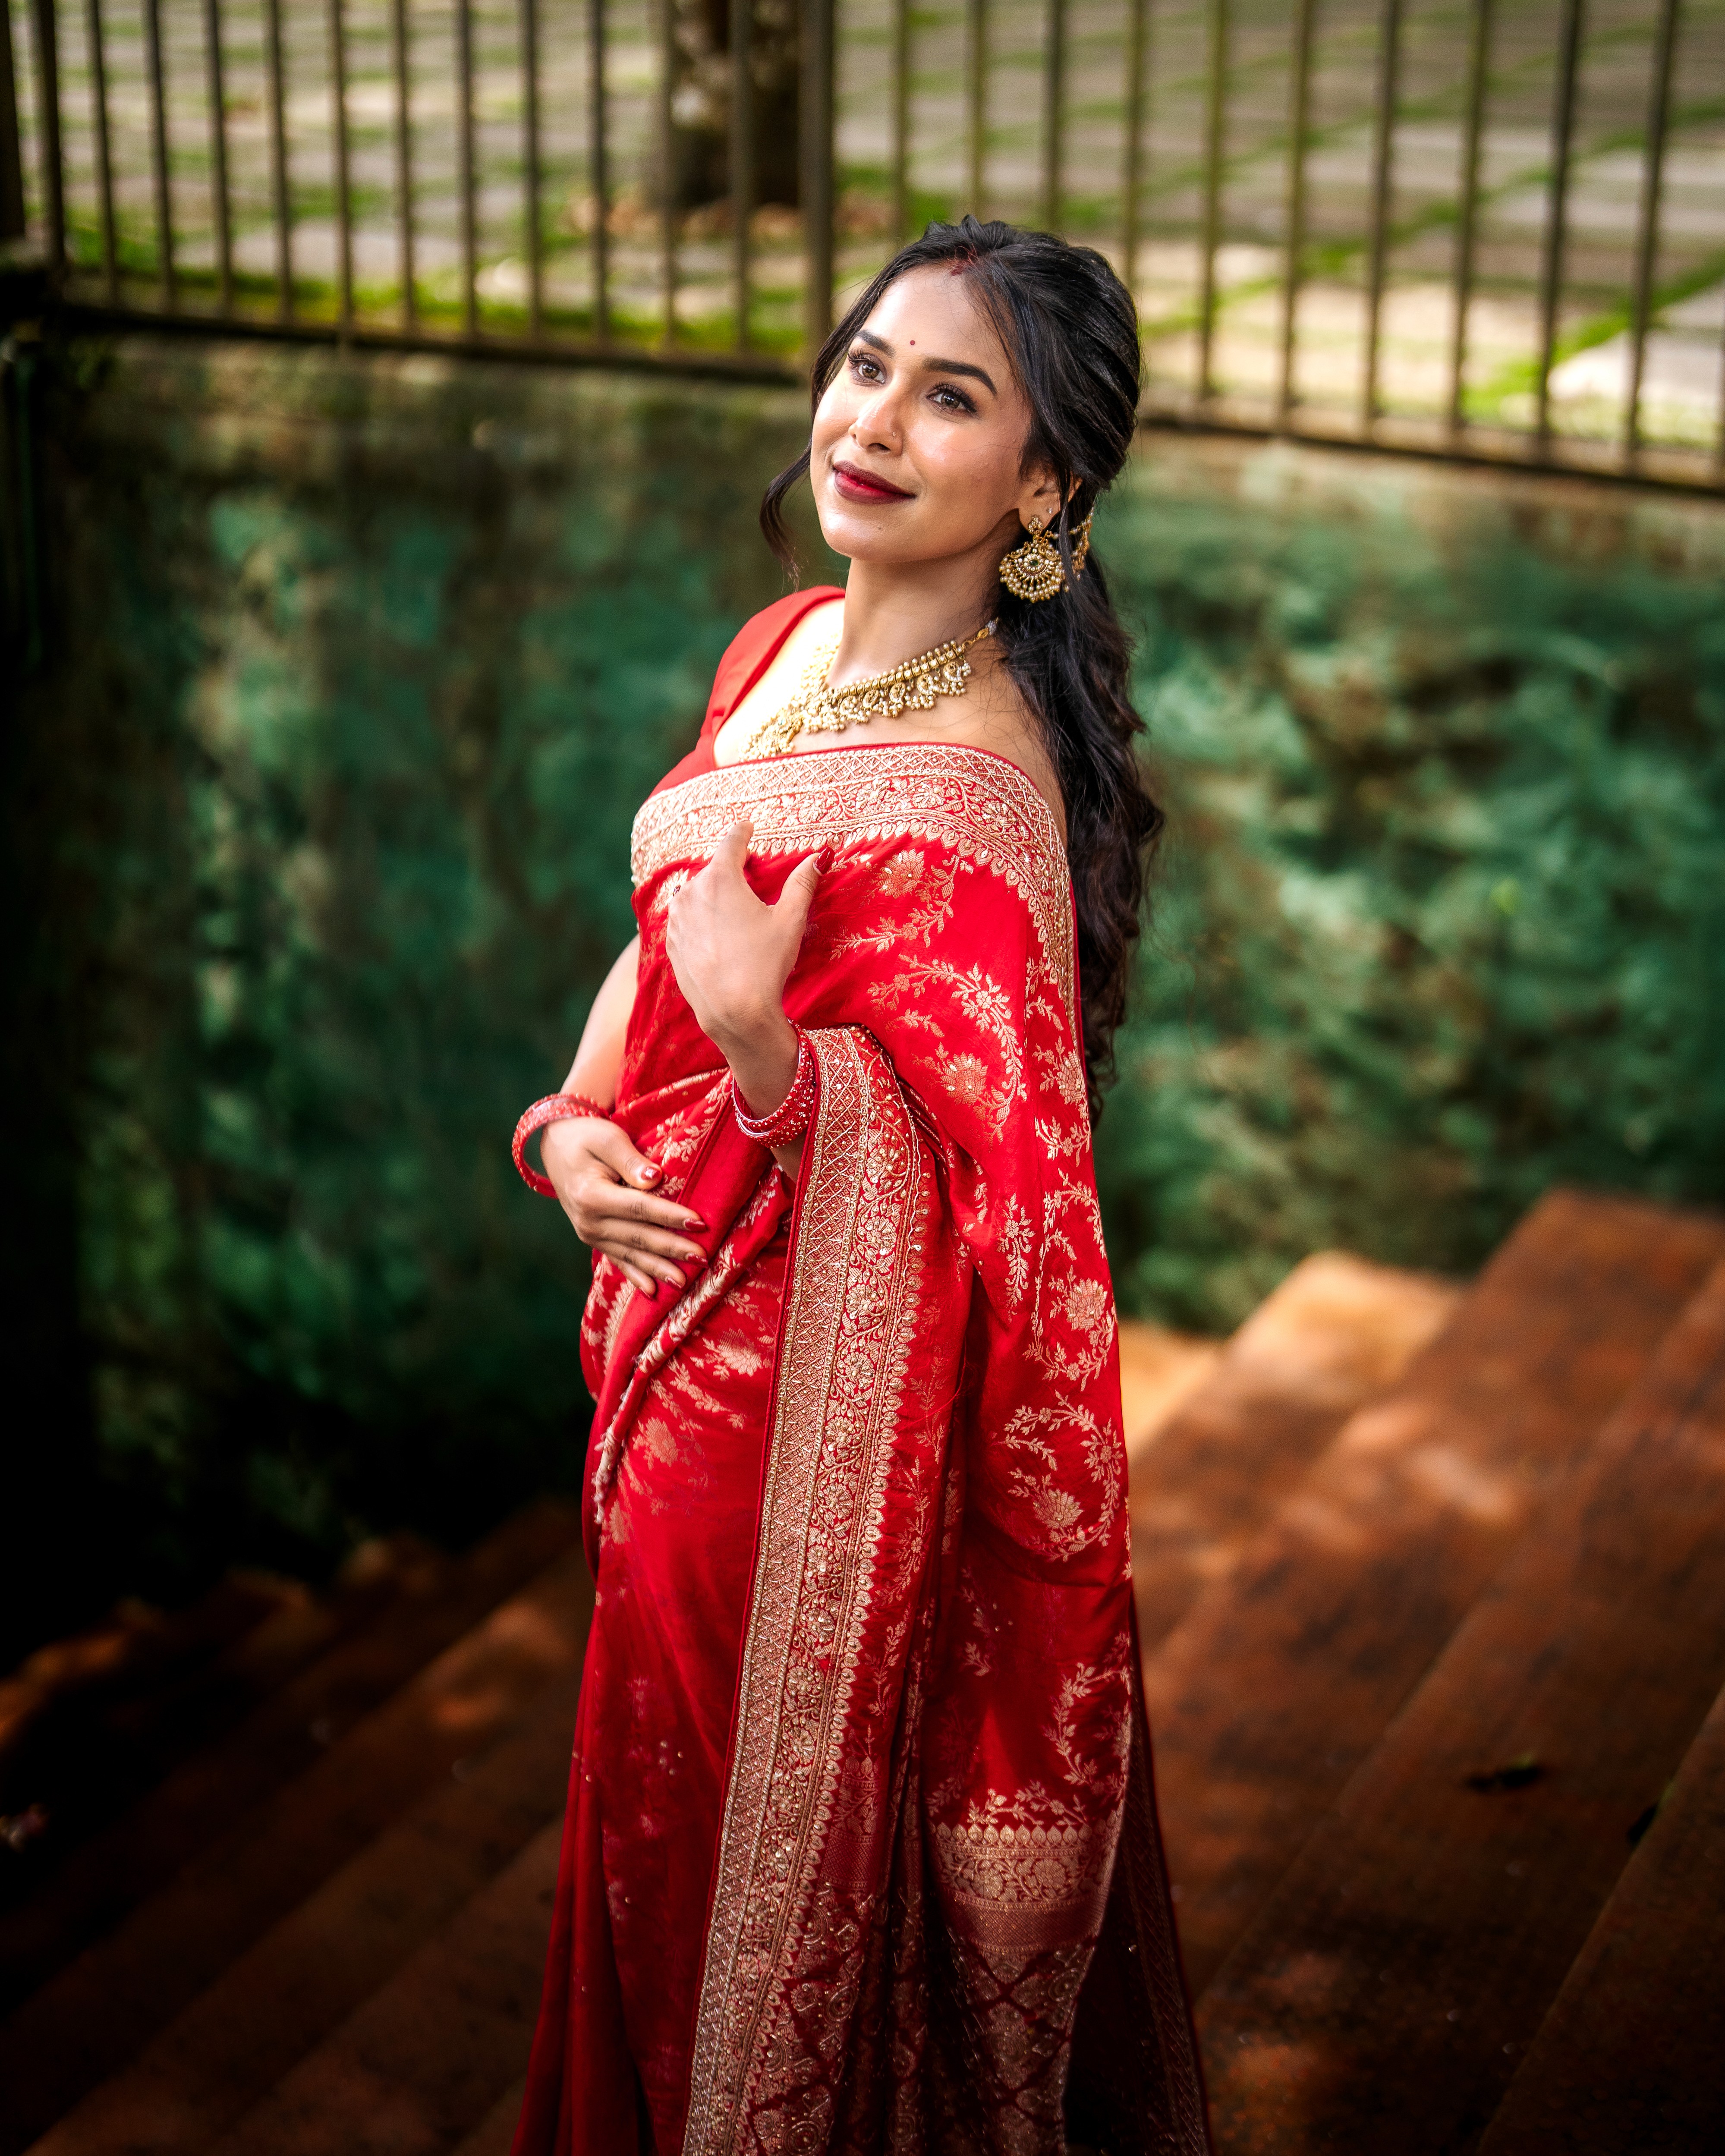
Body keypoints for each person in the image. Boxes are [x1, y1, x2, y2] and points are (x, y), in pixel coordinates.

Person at [509, 217, 1211, 2156]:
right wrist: (570, 1120)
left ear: (1044, 484)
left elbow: (1014, 1225)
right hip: (656, 1391)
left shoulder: (984, 800)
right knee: (642, 1866)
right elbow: (675, 917)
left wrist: (761, 1056)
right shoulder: (781, 650)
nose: (874, 419)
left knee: (725, 1912)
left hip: (795, 1483)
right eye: (865, 364)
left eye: (951, 394)